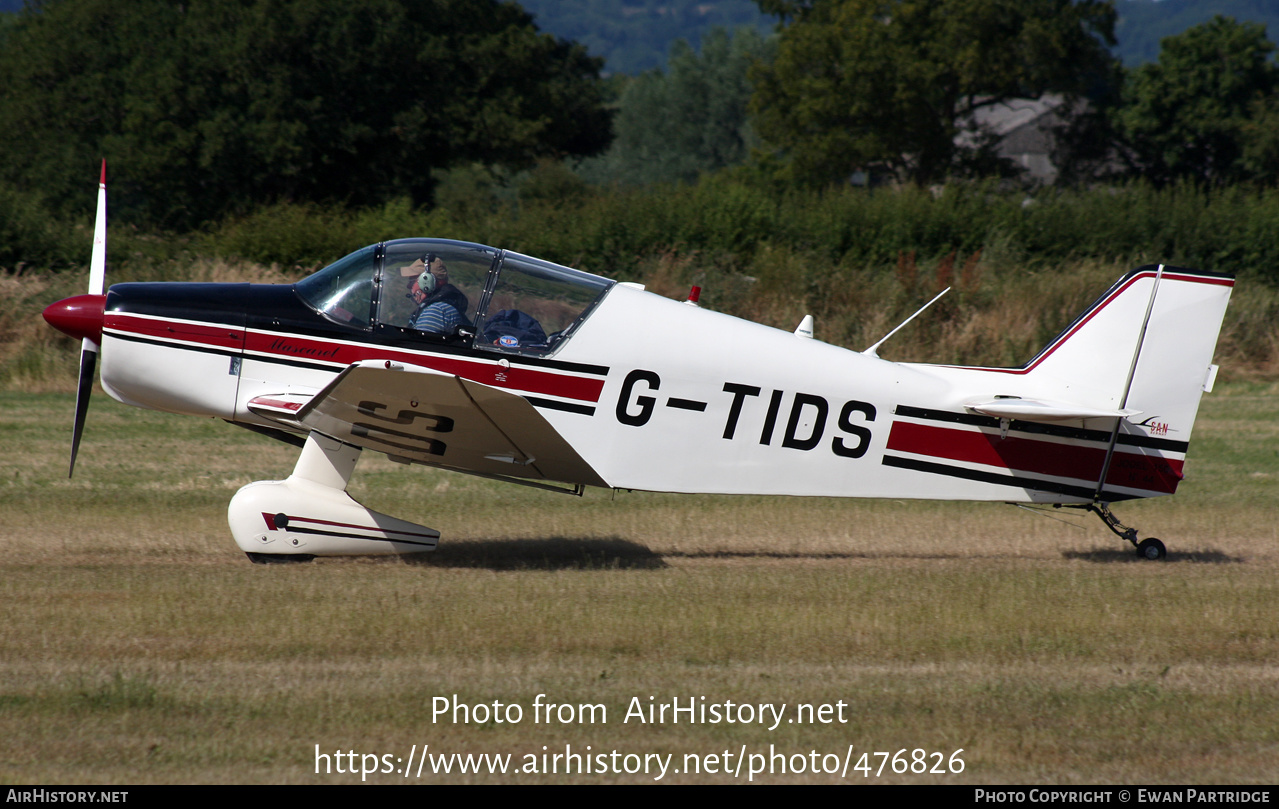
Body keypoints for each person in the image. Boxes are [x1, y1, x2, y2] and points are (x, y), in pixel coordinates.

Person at [402, 253, 469, 334]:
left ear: (426, 281)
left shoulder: (436, 311)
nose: (408, 286)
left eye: (412, 281)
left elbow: (419, 343)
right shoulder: (443, 307)